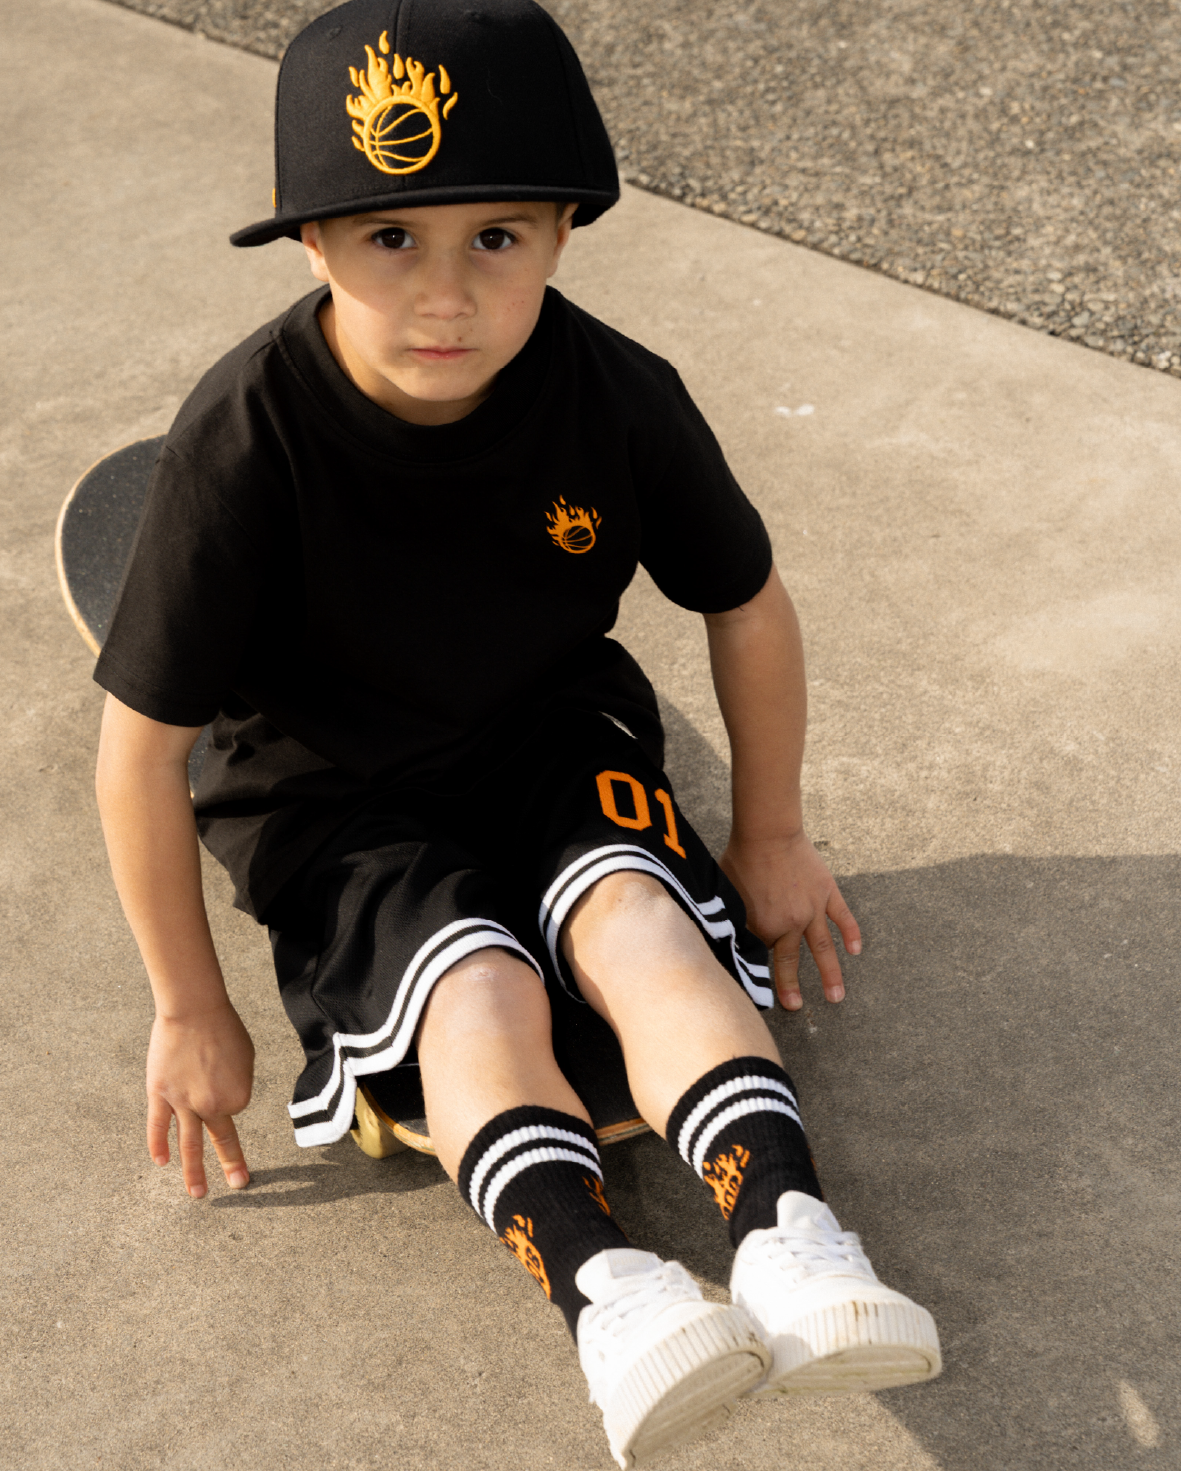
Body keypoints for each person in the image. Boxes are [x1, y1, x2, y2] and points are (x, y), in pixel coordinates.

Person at [92, 1, 941, 1465]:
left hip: (550, 727)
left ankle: (792, 1234)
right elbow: (143, 744)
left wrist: (777, 828)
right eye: (390, 239)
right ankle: (614, 1292)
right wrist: (187, 1002)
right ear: (312, 244)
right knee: (478, 990)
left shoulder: (615, 394)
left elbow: (744, 599)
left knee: (644, 928)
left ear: (562, 231)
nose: (445, 293)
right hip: (333, 791)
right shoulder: (245, 439)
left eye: (496, 237)